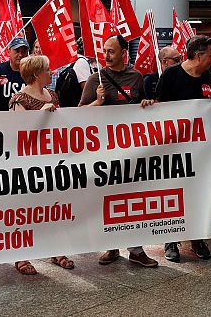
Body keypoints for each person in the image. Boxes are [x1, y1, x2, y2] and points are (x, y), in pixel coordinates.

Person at [79, 35, 159, 268]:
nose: (106, 55)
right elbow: (79, 111)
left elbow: (143, 106)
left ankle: (135, 249)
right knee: (108, 199)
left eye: (111, 51)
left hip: (131, 149)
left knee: (132, 198)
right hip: (104, 150)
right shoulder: (97, 78)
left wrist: (146, 104)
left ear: (124, 52)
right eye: (104, 51)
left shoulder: (136, 77)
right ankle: (112, 245)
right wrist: (97, 103)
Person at [141, 35, 211, 263]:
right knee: (173, 192)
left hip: (200, 151)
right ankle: (171, 239)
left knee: (199, 193)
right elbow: (160, 107)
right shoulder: (172, 74)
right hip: (174, 148)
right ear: (198, 55)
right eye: (210, 54)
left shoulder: (209, 75)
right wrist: (149, 106)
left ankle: (197, 238)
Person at [6, 55, 77, 274]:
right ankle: (21, 256)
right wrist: (41, 114)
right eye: (47, 69)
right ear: (36, 74)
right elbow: (19, 132)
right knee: (25, 210)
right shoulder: (19, 99)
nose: (51, 72)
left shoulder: (53, 95)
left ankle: (56, 250)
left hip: (52, 161)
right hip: (28, 164)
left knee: (53, 207)